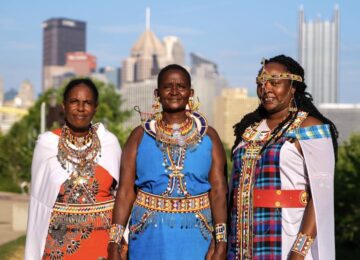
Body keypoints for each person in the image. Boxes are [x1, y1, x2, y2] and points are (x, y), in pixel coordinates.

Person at [108, 64, 228, 260]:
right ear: (157, 93)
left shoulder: (209, 136)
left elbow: (219, 192)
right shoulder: (139, 136)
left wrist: (221, 242)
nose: (174, 92)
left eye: (180, 86)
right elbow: (125, 191)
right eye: (167, 87)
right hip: (148, 236)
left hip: (197, 238)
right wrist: (114, 241)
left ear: (191, 92)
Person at [227, 55, 338, 260]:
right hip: (241, 245)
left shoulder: (310, 127)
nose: (266, 88)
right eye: (261, 83)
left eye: (275, 82)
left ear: (293, 87)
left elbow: (321, 195)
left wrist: (299, 250)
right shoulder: (248, 130)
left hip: (287, 242)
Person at [25, 78, 122, 259]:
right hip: (59, 246)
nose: (80, 108)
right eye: (74, 102)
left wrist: (118, 243)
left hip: (102, 245)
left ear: (95, 108)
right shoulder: (47, 144)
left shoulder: (110, 143)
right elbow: (39, 202)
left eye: (87, 103)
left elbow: (123, 196)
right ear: (63, 106)